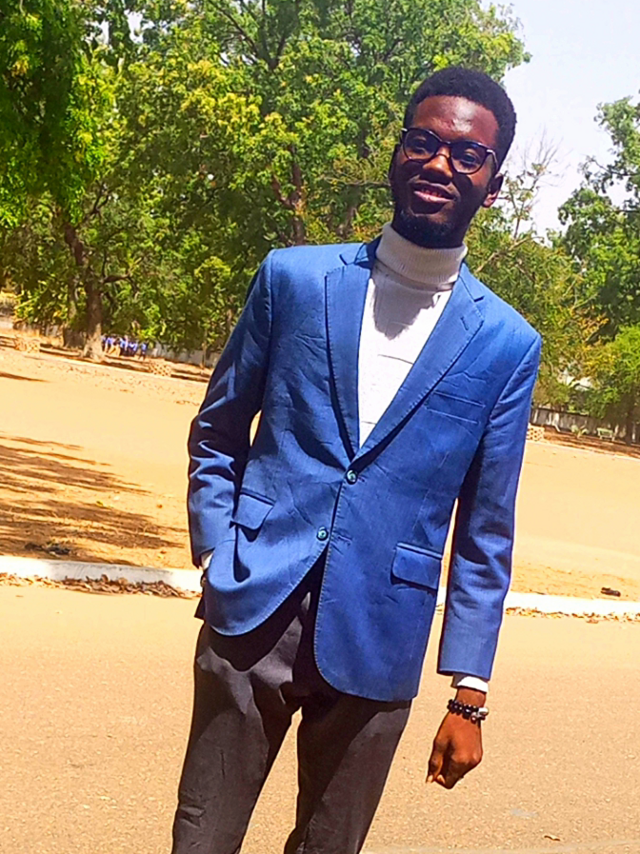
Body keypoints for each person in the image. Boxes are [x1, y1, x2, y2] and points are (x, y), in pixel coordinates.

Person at [173, 66, 541, 854]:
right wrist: (217, 550)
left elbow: (486, 529)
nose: (440, 163)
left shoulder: (508, 345)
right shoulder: (294, 279)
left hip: (381, 635)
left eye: (467, 155)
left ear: (494, 184)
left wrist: (469, 691)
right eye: (422, 142)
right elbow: (218, 430)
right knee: (202, 837)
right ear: (397, 154)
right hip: (254, 607)